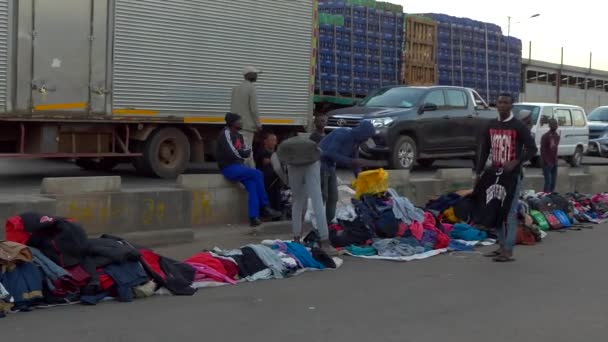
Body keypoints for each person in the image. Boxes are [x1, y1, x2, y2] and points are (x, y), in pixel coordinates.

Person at [476, 93, 537, 262]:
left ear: (511, 106)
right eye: (500, 102)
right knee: (494, 210)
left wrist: (516, 161)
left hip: (512, 176)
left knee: (509, 213)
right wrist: (478, 172)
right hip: (495, 175)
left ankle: (508, 250)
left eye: (506, 103)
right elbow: (485, 150)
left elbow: (532, 149)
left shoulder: (518, 126)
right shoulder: (491, 125)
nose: (502, 105)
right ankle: (501, 245)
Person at [215, 113, 282, 228]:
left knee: (252, 186)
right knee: (258, 173)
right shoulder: (225, 133)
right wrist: (242, 154)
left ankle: (253, 217)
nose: (241, 123)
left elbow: (247, 150)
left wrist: (243, 154)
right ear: (232, 122)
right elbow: (232, 152)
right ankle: (265, 206)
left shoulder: (240, 135)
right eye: (239, 121)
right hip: (229, 168)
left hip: (240, 167)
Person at [277, 134, 338, 255]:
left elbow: (279, 163)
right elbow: (319, 153)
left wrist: (285, 180)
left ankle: (296, 239)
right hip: (311, 164)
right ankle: (325, 242)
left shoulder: (287, 149)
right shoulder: (311, 147)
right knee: (317, 202)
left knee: (297, 203)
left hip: (293, 166)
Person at [319, 120, 375, 224]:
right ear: (361, 133)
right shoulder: (343, 134)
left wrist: (360, 179)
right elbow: (329, 153)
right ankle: (319, 224)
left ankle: (329, 223)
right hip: (320, 164)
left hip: (331, 166)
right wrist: (351, 161)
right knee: (323, 195)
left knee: (333, 197)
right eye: (367, 136)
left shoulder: (356, 142)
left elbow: (355, 163)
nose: (367, 140)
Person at [231, 66, 262, 167]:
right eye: (255, 73)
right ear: (249, 75)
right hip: (247, 126)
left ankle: (252, 173)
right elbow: (254, 109)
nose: (257, 76)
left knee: (244, 151)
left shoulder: (236, 88)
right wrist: (258, 124)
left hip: (235, 126)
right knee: (246, 152)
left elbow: (233, 107)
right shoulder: (251, 88)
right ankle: (244, 175)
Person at [254, 132, 283, 213]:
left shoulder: (277, 153)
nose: (274, 142)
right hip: (266, 183)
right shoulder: (261, 152)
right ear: (265, 141)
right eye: (272, 140)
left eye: (275, 140)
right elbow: (265, 162)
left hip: (276, 183)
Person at [541, 118, 560, 193]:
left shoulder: (557, 136)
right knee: (548, 182)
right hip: (547, 163)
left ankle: (551, 196)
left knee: (553, 182)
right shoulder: (545, 136)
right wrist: (545, 161)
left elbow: (555, 149)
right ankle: (545, 196)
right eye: (554, 124)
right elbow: (542, 150)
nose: (556, 126)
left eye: (556, 124)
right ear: (550, 125)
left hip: (554, 161)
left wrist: (556, 160)